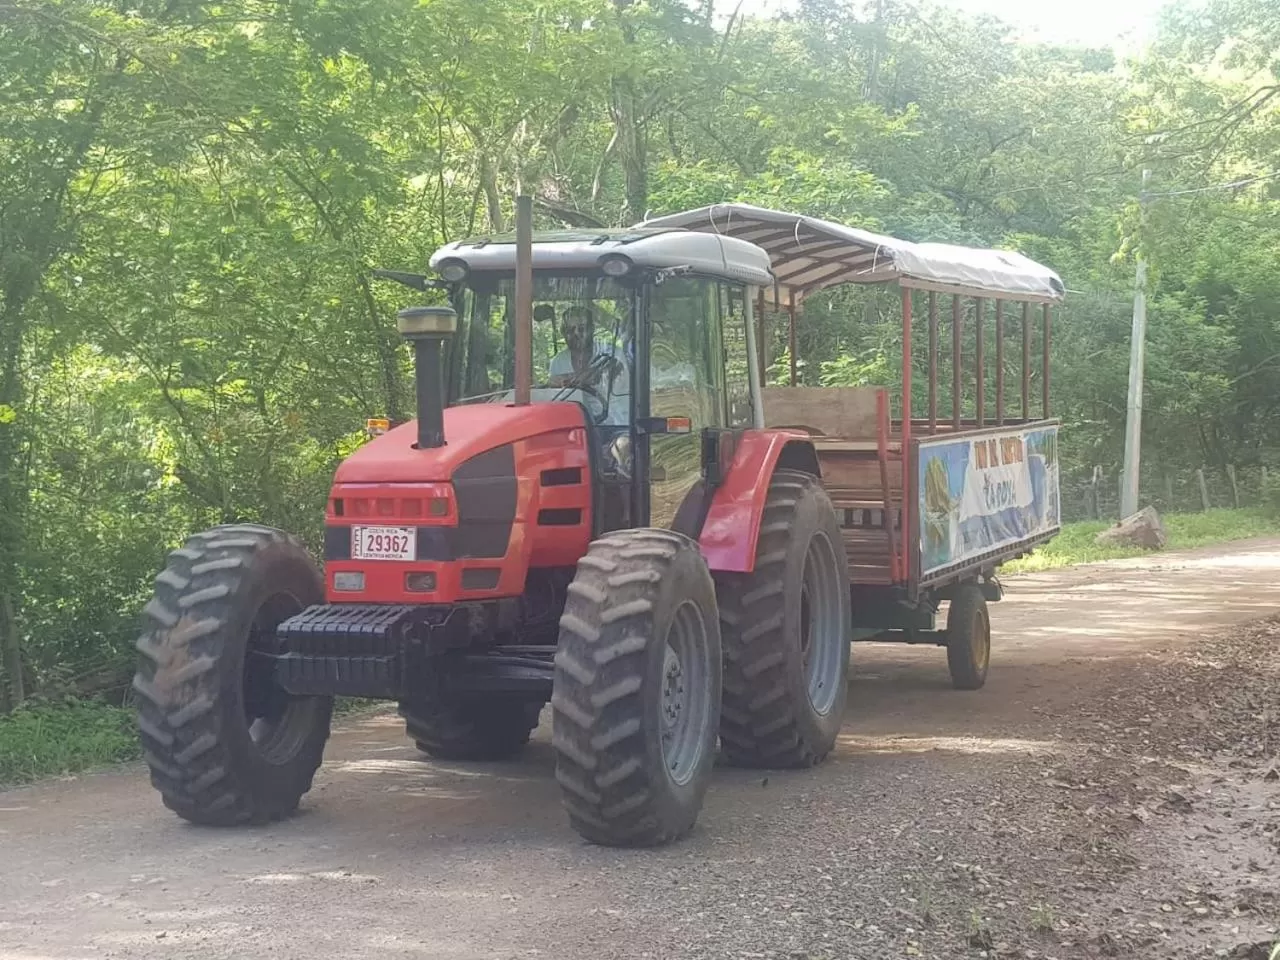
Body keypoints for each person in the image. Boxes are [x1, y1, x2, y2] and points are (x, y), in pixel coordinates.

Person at [548, 305, 630, 423]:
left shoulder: (613, 353)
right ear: (563, 334)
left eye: (581, 328)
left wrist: (560, 381)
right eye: (570, 330)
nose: (576, 334)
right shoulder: (558, 361)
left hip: (615, 425)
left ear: (592, 329)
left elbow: (596, 377)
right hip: (577, 425)